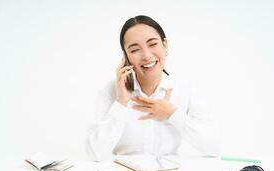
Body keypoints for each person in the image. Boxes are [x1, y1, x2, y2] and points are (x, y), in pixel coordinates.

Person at [86, 15, 220, 161]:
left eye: (153, 44)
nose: (146, 55)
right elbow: (95, 153)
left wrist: (172, 114)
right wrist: (121, 102)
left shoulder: (186, 89)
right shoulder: (110, 91)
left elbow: (214, 147)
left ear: (165, 45)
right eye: (135, 49)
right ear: (126, 57)